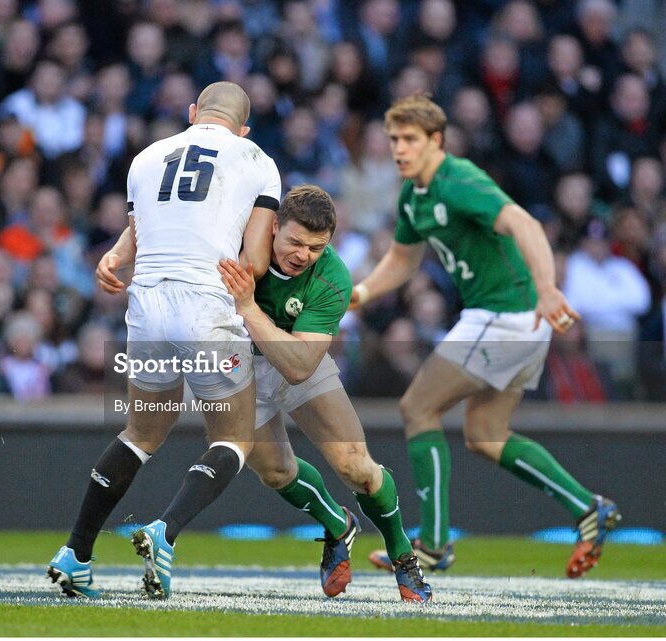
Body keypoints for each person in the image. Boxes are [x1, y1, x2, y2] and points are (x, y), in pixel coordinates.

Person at [350, 94, 620, 579]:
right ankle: (588, 508)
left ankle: (432, 545)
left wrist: (546, 288)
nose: (399, 149)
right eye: (394, 139)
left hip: (505, 314)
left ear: (436, 140)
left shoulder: (459, 180)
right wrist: (365, 290)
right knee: (485, 434)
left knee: (418, 408)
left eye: (409, 139)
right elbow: (403, 259)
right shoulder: (415, 195)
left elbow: (524, 222)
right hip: (514, 321)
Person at [47, 81, 280, 599]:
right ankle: (164, 531)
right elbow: (257, 261)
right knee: (234, 438)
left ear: (193, 112)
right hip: (206, 303)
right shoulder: (256, 158)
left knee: (140, 434)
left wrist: (111, 255)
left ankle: (77, 552)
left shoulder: (146, 157)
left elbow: (141, 232)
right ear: (243, 128)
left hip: (146, 304)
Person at [216, 185, 431, 602]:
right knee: (275, 472)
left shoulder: (333, 276)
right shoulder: (235, 238)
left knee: (356, 467)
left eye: (316, 247)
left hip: (298, 357)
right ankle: (337, 524)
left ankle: (402, 554)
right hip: (240, 366)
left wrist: (247, 307)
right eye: (295, 241)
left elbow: (299, 367)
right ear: (273, 225)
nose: (303, 255)